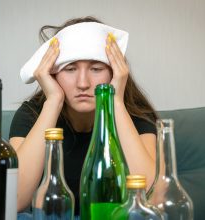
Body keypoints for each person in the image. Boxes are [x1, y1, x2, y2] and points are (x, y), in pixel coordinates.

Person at [9, 16, 158, 219]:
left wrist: (114, 102)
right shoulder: (31, 114)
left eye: (96, 69)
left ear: (115, 72)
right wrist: (53, 101)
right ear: (53, 74)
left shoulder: (135, 115)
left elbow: (152, 199)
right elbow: (15, 200)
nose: (83, 83)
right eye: (70, 69)